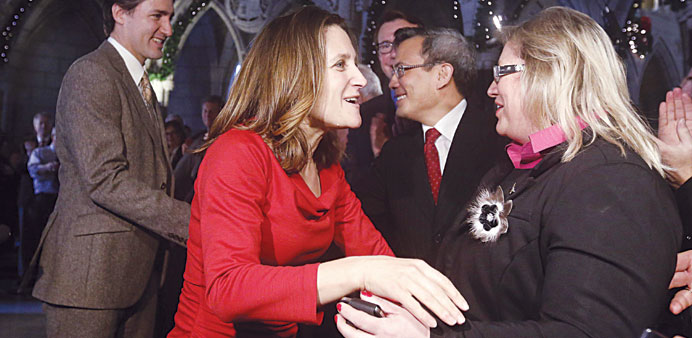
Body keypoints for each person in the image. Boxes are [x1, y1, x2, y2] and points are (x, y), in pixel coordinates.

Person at [337, 7, 681, 337]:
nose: (490, 89)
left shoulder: (612, 181)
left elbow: (585, 331)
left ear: (550, 73)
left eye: (503, 73)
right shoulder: (523, 166)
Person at [168, 6, 469, 338]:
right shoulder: (237, 152)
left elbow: (374, 253)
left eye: (354, 63)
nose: (360, 79)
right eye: (341, 65)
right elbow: (229, 288)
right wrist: (360, 273)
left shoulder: (326, 168)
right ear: (295, 74)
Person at [29, 0, 190, 337]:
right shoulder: (91, 73)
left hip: (136, 275)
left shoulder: (139, 82)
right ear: (120, 13)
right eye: (157, 16)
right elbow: (105, 180)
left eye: (170, 17)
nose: (169, 29)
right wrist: (194, 221)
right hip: (89, 280)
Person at [353, 27, 504, 266]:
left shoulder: (499, 141)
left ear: (442, 75)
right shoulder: (394, 154)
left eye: (401, 69)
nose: (393, 82)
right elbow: (357, 219)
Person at [344, 11, 422, 185]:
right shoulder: (364, 115)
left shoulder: (444, 108)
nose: (394, 54)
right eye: (385, 45)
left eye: (403, 41)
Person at [173, 95, 222, 203]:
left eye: (211, 111)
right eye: (205, 111)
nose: (208, 115)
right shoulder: (197, 138)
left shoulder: (222, 138)